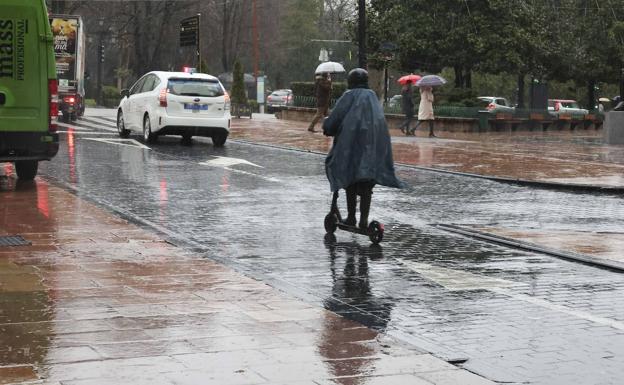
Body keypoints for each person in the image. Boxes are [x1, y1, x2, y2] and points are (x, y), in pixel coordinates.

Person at [322, 68, 403, 229]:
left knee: (350, 179)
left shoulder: (349, 96)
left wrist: (328, 127)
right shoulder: (373, 96)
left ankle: (351, 217)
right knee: (366, 184)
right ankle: (363, 220)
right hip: (373, 146)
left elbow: (336, 117)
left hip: (351, 146)